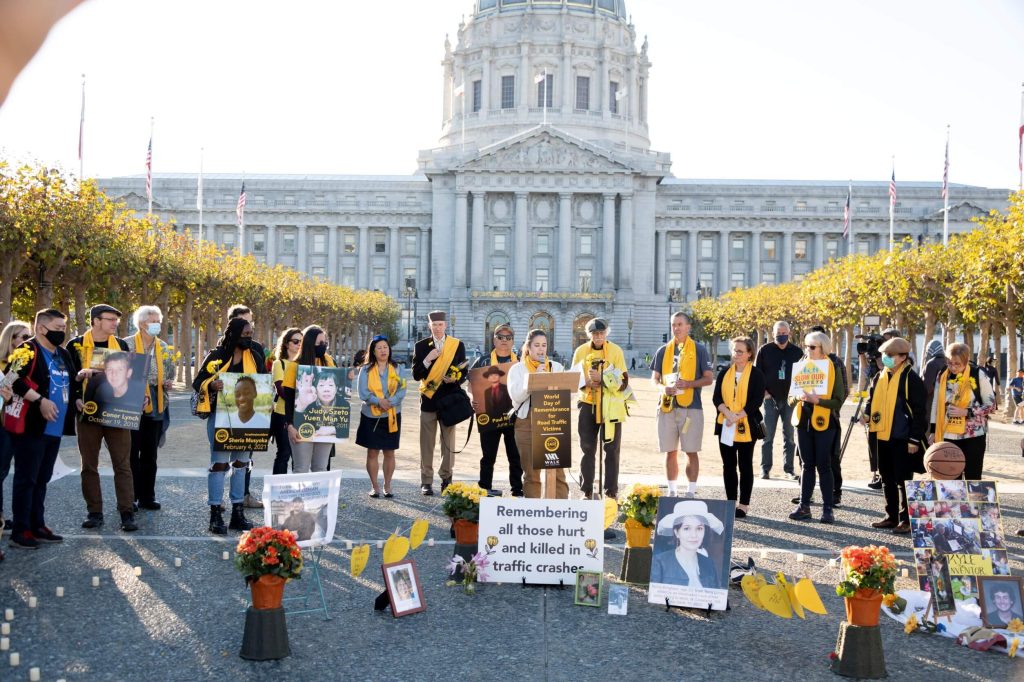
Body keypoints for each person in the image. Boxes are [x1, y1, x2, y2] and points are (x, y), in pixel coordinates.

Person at [6, 309, 74, 550]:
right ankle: (20, 531)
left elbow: (69, 382)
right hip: (31, 427)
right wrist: (39, 400)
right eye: (57, 328)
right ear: (41, 328)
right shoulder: (27, 350)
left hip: (54, 428)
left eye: (64, 328)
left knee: (43, 478)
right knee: (27, 479)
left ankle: (37, 525)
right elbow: (11, 379)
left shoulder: (63, 354)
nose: (62, 332)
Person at [67, 304, 137, 532]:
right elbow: (68, 377)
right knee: (89, 465)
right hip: (87, 411)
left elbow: (131, 377)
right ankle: (94, 512)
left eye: (116, 320)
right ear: (96, 320)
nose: (115, 323)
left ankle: (127, 512)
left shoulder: (122, 345)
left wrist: (140, 397)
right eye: (110, 319)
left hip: (117, 411)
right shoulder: (75, 345)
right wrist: (76, 396)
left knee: (123, 464)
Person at [193, 317, 265, 534]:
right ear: (233, 334)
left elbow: (263, 382)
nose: (249, 338)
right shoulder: (216, 356)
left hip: (247, 418)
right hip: (221, 417)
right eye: (245, 334)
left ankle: (237, 513)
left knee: (242, 464)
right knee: (219, 465)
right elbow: (198, 382)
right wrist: (212, 384)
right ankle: (215, 514)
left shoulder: (255, 356)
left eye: (251, 334)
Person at [862, 337, 927, 534]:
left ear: (903, 357)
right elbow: (871, 399)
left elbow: (920, 412)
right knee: (886, 477)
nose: (885, 358)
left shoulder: (911, 379)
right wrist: (866, 414)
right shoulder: (880, 376)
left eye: (890, 355)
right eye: (884, 354)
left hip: (902, 437)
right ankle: (891, 516)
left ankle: (906, 519)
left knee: (904, 480)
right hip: (881, 433)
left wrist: (914, 439)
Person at [650, 312, 713, 498]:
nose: (676, 328)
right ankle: (672, 491)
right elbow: (654, 379)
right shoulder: (663, 350)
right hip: (666, 407)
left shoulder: (699, 349)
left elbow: (709, 379)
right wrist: (663, 388)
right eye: (673, 325)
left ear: (688, 327)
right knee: (670, 451)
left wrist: (689, 384)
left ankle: (691, 491)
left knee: (691, 451)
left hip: (691, 408)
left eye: (679, 324)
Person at [788, 331, 846, 525]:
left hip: (825, 423)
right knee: (806, 465)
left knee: (824, 465)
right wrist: (799, 397)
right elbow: (790, 399)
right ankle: (804, 506)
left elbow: (838, 400)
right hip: (802, 422)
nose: (808, 350)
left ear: (823, 348)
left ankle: (827, 509)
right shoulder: (801, 366)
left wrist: (818, 401)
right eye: (806, 346)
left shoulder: (833, 367)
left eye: (812, 347)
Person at [572, 317, 630, 502]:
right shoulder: (580, 351)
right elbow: (573, 379)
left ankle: (611, 492)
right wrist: (588, 382)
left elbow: (624, 381)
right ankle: (586, 491)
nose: (598, 337)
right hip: (587, 403)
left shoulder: (616, 351)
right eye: (595, 333)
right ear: (588, 334)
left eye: (601, 333)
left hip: (611, 404)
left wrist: (602, 378)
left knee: (612, 449)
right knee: (587, 448)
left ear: (607, 333)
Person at [507, 329, 568, 499]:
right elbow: (516, 397)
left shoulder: (556, 367)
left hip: (552, 420)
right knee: (531, 472)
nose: (541, 349)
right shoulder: (517, 369)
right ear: (528, 347)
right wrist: (534, 378)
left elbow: (567, 395)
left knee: (557, 470)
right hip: (526, 421)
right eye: (537, 345)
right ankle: (534, 510)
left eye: (544, 345)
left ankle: (561, 509)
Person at [412, 311, 466, 496]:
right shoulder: (421, 346)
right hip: (428, 400)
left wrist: (456, 379)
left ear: (445, 325)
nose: (437, 328)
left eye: (440, 324)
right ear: (430, 326)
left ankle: (447, 479)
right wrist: (428, 359)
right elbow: (416, 375)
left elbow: (463, 371)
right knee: (426, 444)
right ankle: (426, 481)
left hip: (449, 401)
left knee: (448, 443)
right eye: (434, 325)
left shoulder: (457, 345)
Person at [125, 306, 174, 511]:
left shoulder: (163, 346)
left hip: (156, 401)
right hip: (131, 400)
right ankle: (131, 496)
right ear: (141, 323)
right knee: (131, 452)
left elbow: (170, 372)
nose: (157, 325)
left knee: (150, 454)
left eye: (158, 321)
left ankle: (148, 496)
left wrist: (168, 382)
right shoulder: (126, 344)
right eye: (153, 321)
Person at [712, 337, 766, 519]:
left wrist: (737, 416)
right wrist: (728, 414)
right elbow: (716, 398)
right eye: (734, 350)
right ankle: (730, 502)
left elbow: (756, 401)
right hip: (725, 424)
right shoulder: (724, 373)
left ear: (749, 353)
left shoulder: (757, 374)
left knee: (745, 465)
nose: (736, 354)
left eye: (740, 351)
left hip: (747, 426)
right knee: (728, 465)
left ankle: (743, 504)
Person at [468, 323, 523, 497]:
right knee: (488, 455)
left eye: (508, 337)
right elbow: (471, 385)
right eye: (500, 337)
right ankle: (485, 487)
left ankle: (517, 490)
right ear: (494, 339)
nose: (504, 340)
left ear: (513, 341)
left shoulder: (521, 361)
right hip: (489, 416)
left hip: (514, 415)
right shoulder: (483, 361)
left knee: (515, 455)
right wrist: (472, 399)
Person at [929, 342, 995, 481]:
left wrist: (967, 412)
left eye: (957, 364)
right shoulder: (942, 374)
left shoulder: (977, 374)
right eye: (950, 363)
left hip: (973, 436)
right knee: (950, 478)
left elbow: (991, 405)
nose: (953, 367)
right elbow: (935, 403)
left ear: (966, 361)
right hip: (947, 434)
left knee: (972, 477)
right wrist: (933, 431)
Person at [227, 305, 267, 509]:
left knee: (245, 457)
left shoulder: (256, 349)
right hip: (225, 411)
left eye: (250, 322)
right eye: (244, 320)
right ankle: (221, 498)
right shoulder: (222, 348)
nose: (248, 326)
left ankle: (243, 494)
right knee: (222, 456)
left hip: (249, 412)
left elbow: (263, 380)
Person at [356, 335, 407, 498]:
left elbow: (402, 390)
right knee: (372, 452)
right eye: (379, 348)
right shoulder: (365, 370)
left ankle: (387, 485)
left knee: (389, 452)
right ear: (373, 351)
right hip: (370, 415)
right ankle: (374, 486)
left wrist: (390, 402)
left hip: (392, 414)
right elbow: (363, 393)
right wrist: (378, 401)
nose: (383, 350)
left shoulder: (398, 368)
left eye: (385, 347)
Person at [753, 321, 803, 481]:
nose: (781, 335)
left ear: (789, 333)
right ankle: (764, 469)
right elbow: (757, 374)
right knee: (767, 436)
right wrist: (764, 393)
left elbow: (802, 375)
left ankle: (789, 470)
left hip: (790, 401)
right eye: (778, 333)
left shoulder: (797, 352)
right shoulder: (764, 350)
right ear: (773, 334)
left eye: (784, 333)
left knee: (789, 437)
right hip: (770, 400)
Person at [288, 325, 339, 473]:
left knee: (321, 468)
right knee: (301, 468)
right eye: (320, 343)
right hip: (300, 424)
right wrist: (290, 425)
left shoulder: (329, 362)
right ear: (310, 344)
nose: (323, 346)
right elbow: (288, 399)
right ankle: (299, 491)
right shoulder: (294, 366)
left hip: (325, 423)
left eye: (325, 343)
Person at [0, 319, 31, 531]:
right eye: (24, 337)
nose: (28, 341)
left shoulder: (24, 363)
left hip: (19, 422)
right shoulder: (2, 365)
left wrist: (9, 397)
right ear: (11, 340)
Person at [651, 500, 724, 588]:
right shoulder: (660, 562)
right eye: (686, 528)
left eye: (699, 528)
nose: (694, 535)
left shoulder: (709, 563)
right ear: (676, 532)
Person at [270, 327, 302, 474]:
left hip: (301, 415)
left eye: (301, 341)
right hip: (282, 414)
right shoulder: (279, 364)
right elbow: (281, 390)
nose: (299, 344)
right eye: (295, 341)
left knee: (299, 456)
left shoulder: (303, 365)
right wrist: (301, 397)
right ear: (286, 343)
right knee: (284, 453)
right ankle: (277, 486)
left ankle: (297, 486)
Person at [921, 340, 947, 421]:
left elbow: (927, 388)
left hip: (932, 403)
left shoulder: (931, 363)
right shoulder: (947, 362)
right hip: (946, 402)